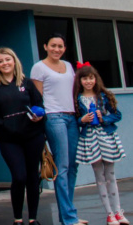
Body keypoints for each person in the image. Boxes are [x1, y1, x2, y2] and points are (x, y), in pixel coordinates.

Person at [0, 47, 46, 225]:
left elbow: (39, 104)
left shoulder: (27, 83)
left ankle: (33, 219)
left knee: (33, 177)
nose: (5, 63)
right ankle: (17, 219)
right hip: (9, 139)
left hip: (33, 136)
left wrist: (39, 116)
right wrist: (2, 125)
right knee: (19, 176)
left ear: (14, 61)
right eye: (0, 61)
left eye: (7, 59)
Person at [31, 34, 86, 225]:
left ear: (64, 48)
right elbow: (37, 98)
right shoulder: (39, 67)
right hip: (54, 118)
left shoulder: (68, 66)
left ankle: (67, 215)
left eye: (60, 46)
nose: (57, 49)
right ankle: (70, 218)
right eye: (53, 45)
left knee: (72, 166)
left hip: (72, 118)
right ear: (45, 46)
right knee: (62, 166)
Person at [74, 63, 127, 225]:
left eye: (91, 78)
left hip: (106, 136)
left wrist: (104, 118)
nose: (88, 81)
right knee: (99, 176)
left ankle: (118, 212)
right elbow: (75, 120)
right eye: (85, 78)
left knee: (110, 175)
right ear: (80, 81)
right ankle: (109, 214)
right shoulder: (76, 99)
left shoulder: (103, 96)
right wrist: (82, 120)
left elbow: (117, 115)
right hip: (90, 138)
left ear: (96, 79)